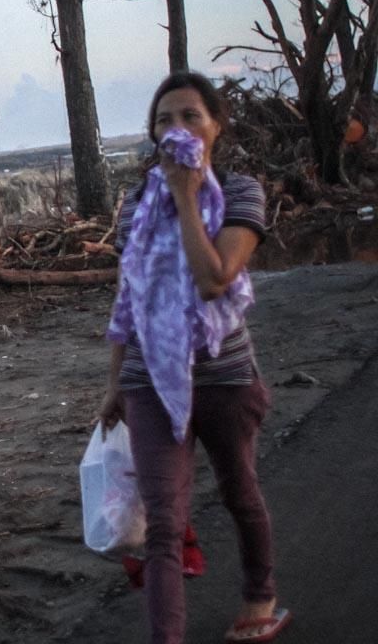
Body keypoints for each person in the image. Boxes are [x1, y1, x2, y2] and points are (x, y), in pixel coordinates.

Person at [97, 72, 290, 644]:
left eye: (190, 116)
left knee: (239, 492)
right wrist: (113, 385)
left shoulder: (241, 192)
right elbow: (128, 296)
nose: (176, 129)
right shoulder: (135, 205)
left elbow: (213, 280)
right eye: (164, 119)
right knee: (163, 525)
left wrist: (186, 195)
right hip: (147, 377)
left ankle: (260, 594)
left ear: (216, 127)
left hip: (222, 372)